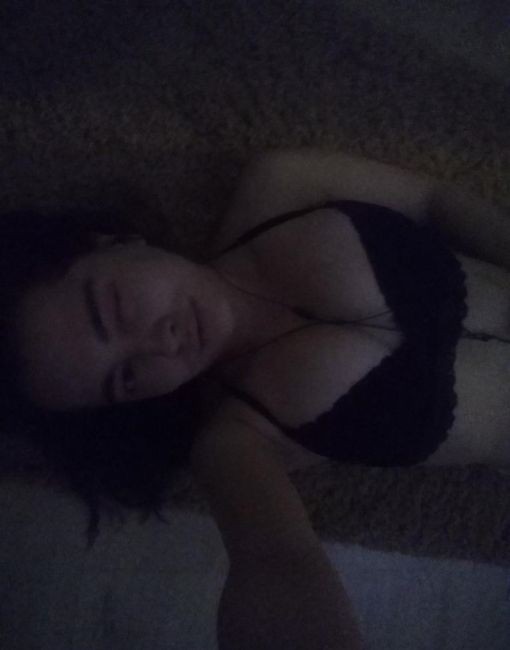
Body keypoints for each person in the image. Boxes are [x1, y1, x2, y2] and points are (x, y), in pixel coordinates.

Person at [1, 147, 509, 648]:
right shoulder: (234, 441)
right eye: (127, 379)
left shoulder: (282, 184)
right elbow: (277, 559)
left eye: (115, 310)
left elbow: (432, 199)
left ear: (111, 241)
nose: (160, 346)